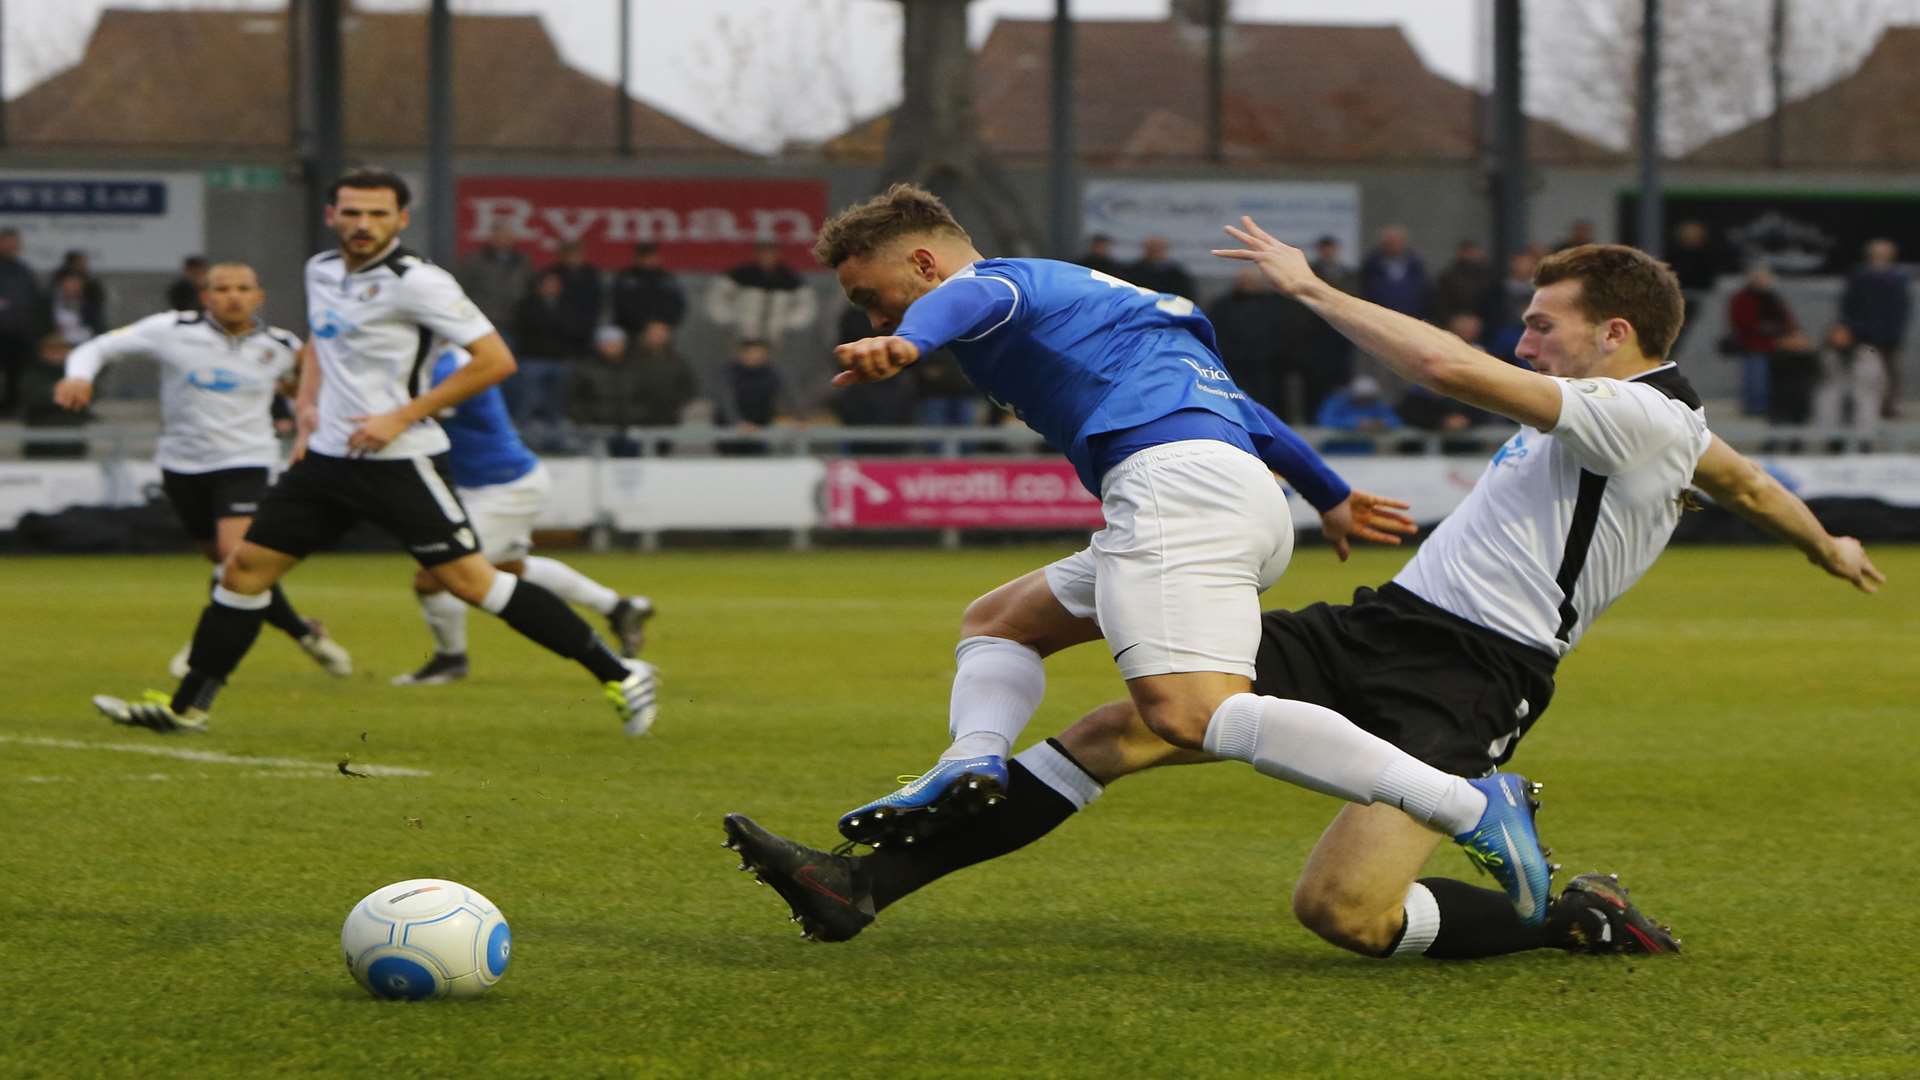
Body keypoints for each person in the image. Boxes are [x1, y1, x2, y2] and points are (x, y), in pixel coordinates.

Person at [724, 226, 1885, 962]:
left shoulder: (1637, 415)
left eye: (1545, 324)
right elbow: (1746, 480)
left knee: (1346, 916)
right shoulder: (1667, 433)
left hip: (1476, 675)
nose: (1526, 339)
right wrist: (1822, 540)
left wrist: (1313, 288)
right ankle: (860, 886)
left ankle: (1562, 914)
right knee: (1111, 730)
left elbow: (1442, 368)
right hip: (1383, 624)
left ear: (1615, 334)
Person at [781, 183, 1554, 926]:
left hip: (1172, 489)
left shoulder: (997, 289)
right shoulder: (1097, 297)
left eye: (869, 295)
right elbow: (1248, 410)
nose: (871, 311)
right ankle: (972, 758)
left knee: (1191, 713)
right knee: (1002, 619)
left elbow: (972, 295)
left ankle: (1468, 805)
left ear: (922, 264)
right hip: (1231, 491)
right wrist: (1330, 496)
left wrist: (907, 339)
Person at [88, 168, 655, 736]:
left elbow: (494, 361)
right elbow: (319, 346)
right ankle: (186, 709)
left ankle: (620, 673)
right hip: (329, 462)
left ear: (401, 219)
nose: (364, 224)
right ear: (332, 215)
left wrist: (399, 416)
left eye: (378, 214)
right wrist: (308, 413)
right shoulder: (322, 270)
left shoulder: (420, 283)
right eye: (353, 212)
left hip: (401, 459)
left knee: (471, 583)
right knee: (243, 571)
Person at [54, 262, 351, 678]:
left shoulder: (281, 345)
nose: (233, 296)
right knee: (230, 567)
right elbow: (97, 347)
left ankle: (203, 651)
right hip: (182, 465)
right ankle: (303, 631)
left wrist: (302, 414)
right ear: (205, 296)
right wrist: (79, 376)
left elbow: (308, 389)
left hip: (246, 461)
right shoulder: (170, 329)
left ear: (258, 297)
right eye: (222, 288)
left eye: (243, 288)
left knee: (235, 557)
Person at [391, 342, 655, 705]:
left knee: (436, 574)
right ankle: (617, 607)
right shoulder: (442, 358)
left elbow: (413, 415)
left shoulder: (447, 367)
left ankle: (450, 659)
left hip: (503, 487)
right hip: (491, 484)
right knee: (510, 569)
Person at [568, 323, 698, 455]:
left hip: (631, 428)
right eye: (607, 343)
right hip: (597, 429)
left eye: (616, 343)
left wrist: (639, 418)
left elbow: (647, 396)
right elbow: (573, 399)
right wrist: (587, 420)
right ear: (598, 345)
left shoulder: (636, 368)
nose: (612, 347)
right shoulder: (585, 369)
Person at [1726, 265, 1811, 419]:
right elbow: (1746, 325)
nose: (1763, 282)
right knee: (1756, 375)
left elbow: (1787, 319)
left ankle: (1778, 406)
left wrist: (1792, 335)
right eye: (1760, 278)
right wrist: (1777, 337)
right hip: (1753, 344)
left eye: (1766, 279)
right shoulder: (1742, 298)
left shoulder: (1773, 298)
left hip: (1776, 346)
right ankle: (1755, 408)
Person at [1839, 239, 1911, 418]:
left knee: (1891, 372)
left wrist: (1896, 331)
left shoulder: (1898, 277)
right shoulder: (1859, 276)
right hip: (1864, 337)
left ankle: (1890, 407)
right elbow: (1849, 304)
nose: (1879, 256)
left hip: (1889, 337)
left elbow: (1901, 308)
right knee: (1863, 372)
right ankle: (1862, 407)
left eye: (1883, 252)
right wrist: (1852, 328)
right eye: (1876, 252)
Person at [1809, 323, 1887, 449]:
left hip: (1861, 401)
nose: (1840, 337)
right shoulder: (1824, 354)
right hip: (1833, 406)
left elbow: (1878, 378)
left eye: (1843, 334)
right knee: (1834, 441)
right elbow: (1818, 379)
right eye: (1836, 334)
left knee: (1863, 440)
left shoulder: (1867, 351)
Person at [452, 224, 532, 344]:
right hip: (483, 319)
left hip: (516, 322)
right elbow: (460, 288)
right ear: (492, 237)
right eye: (500, 235)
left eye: (508, 236)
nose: (504, 239)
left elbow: (530, 288)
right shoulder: (474, 260)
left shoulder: (523, 261)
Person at [0, 228, 42, 416]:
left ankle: (11, 407)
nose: (11, 246)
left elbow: (33, 298)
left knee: (16, 372)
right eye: (7, 241)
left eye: (14, 242)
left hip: (19, 331)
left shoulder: (23, 270)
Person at [609, 243, 686, 338]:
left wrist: (661, 325)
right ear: (637, 258)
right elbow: (622, 305)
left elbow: (677, 304)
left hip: (661, 332)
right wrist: (645, 324)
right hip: (631, 331)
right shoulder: (626, 277)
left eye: (651, 256)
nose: (648, 260)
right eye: (644, 257)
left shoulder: (666, 278)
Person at [1360, 225, 1428, 320]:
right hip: (1379, 317)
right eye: (1389, 242)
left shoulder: (1415, 265)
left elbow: (1424, 291)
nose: (1393, 246)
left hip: (1411, 316)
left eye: (1396, 242)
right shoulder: (1372, 265)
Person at [1432, 240, 1494, 324]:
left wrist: (1480, 322)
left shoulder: (1490, 277)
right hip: (1454, 323)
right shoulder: (1448, 277)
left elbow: (1492, 304)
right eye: (1468, 252)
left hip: (1483, 325)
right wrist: (1453, 320)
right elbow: (1441, 304)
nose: (1471, 255)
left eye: (1473, 252)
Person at [1124, 235, 1196, 300]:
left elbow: (1186, 296)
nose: (1155, 251)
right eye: (1152, 248)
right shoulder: (1133, 271)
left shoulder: (1176, 274)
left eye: (1159, 248)